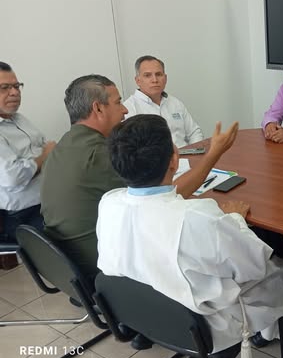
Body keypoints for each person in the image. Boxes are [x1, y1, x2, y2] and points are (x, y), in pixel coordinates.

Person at [97, 114, 283, 356]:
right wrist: (236, 220)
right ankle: (276, 334)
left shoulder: (109, 203)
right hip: (204, 327)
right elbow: (254, 266)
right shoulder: (196, 217)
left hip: (145, 313)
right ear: (175, 159)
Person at [41, 74, 238, 278]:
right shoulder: (100, 155)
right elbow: (166, 197)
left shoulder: (62, 146)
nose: (125, 110)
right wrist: (213, 155)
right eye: (118, 102)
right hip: (101, 265)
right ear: (98, 108)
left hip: (63, 262)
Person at [0, 62, 55, 241]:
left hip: (48, 201)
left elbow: (47, 146)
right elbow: (13, 177)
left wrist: (43, 155)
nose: (14, 92)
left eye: (17, 86)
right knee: (77, 233)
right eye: (5, 88)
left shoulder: (19, 119)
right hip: (22, 215)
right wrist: (43, 156)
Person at [124, 55, 204, 148]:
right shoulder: (129, 109)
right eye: (147, 75)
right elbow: (131, 147)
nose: (155, 80)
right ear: (138, 80)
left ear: (165, 78)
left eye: (158, 74)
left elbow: (194, 132)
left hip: (186, 154)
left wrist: (195, 152)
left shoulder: (175, 103)